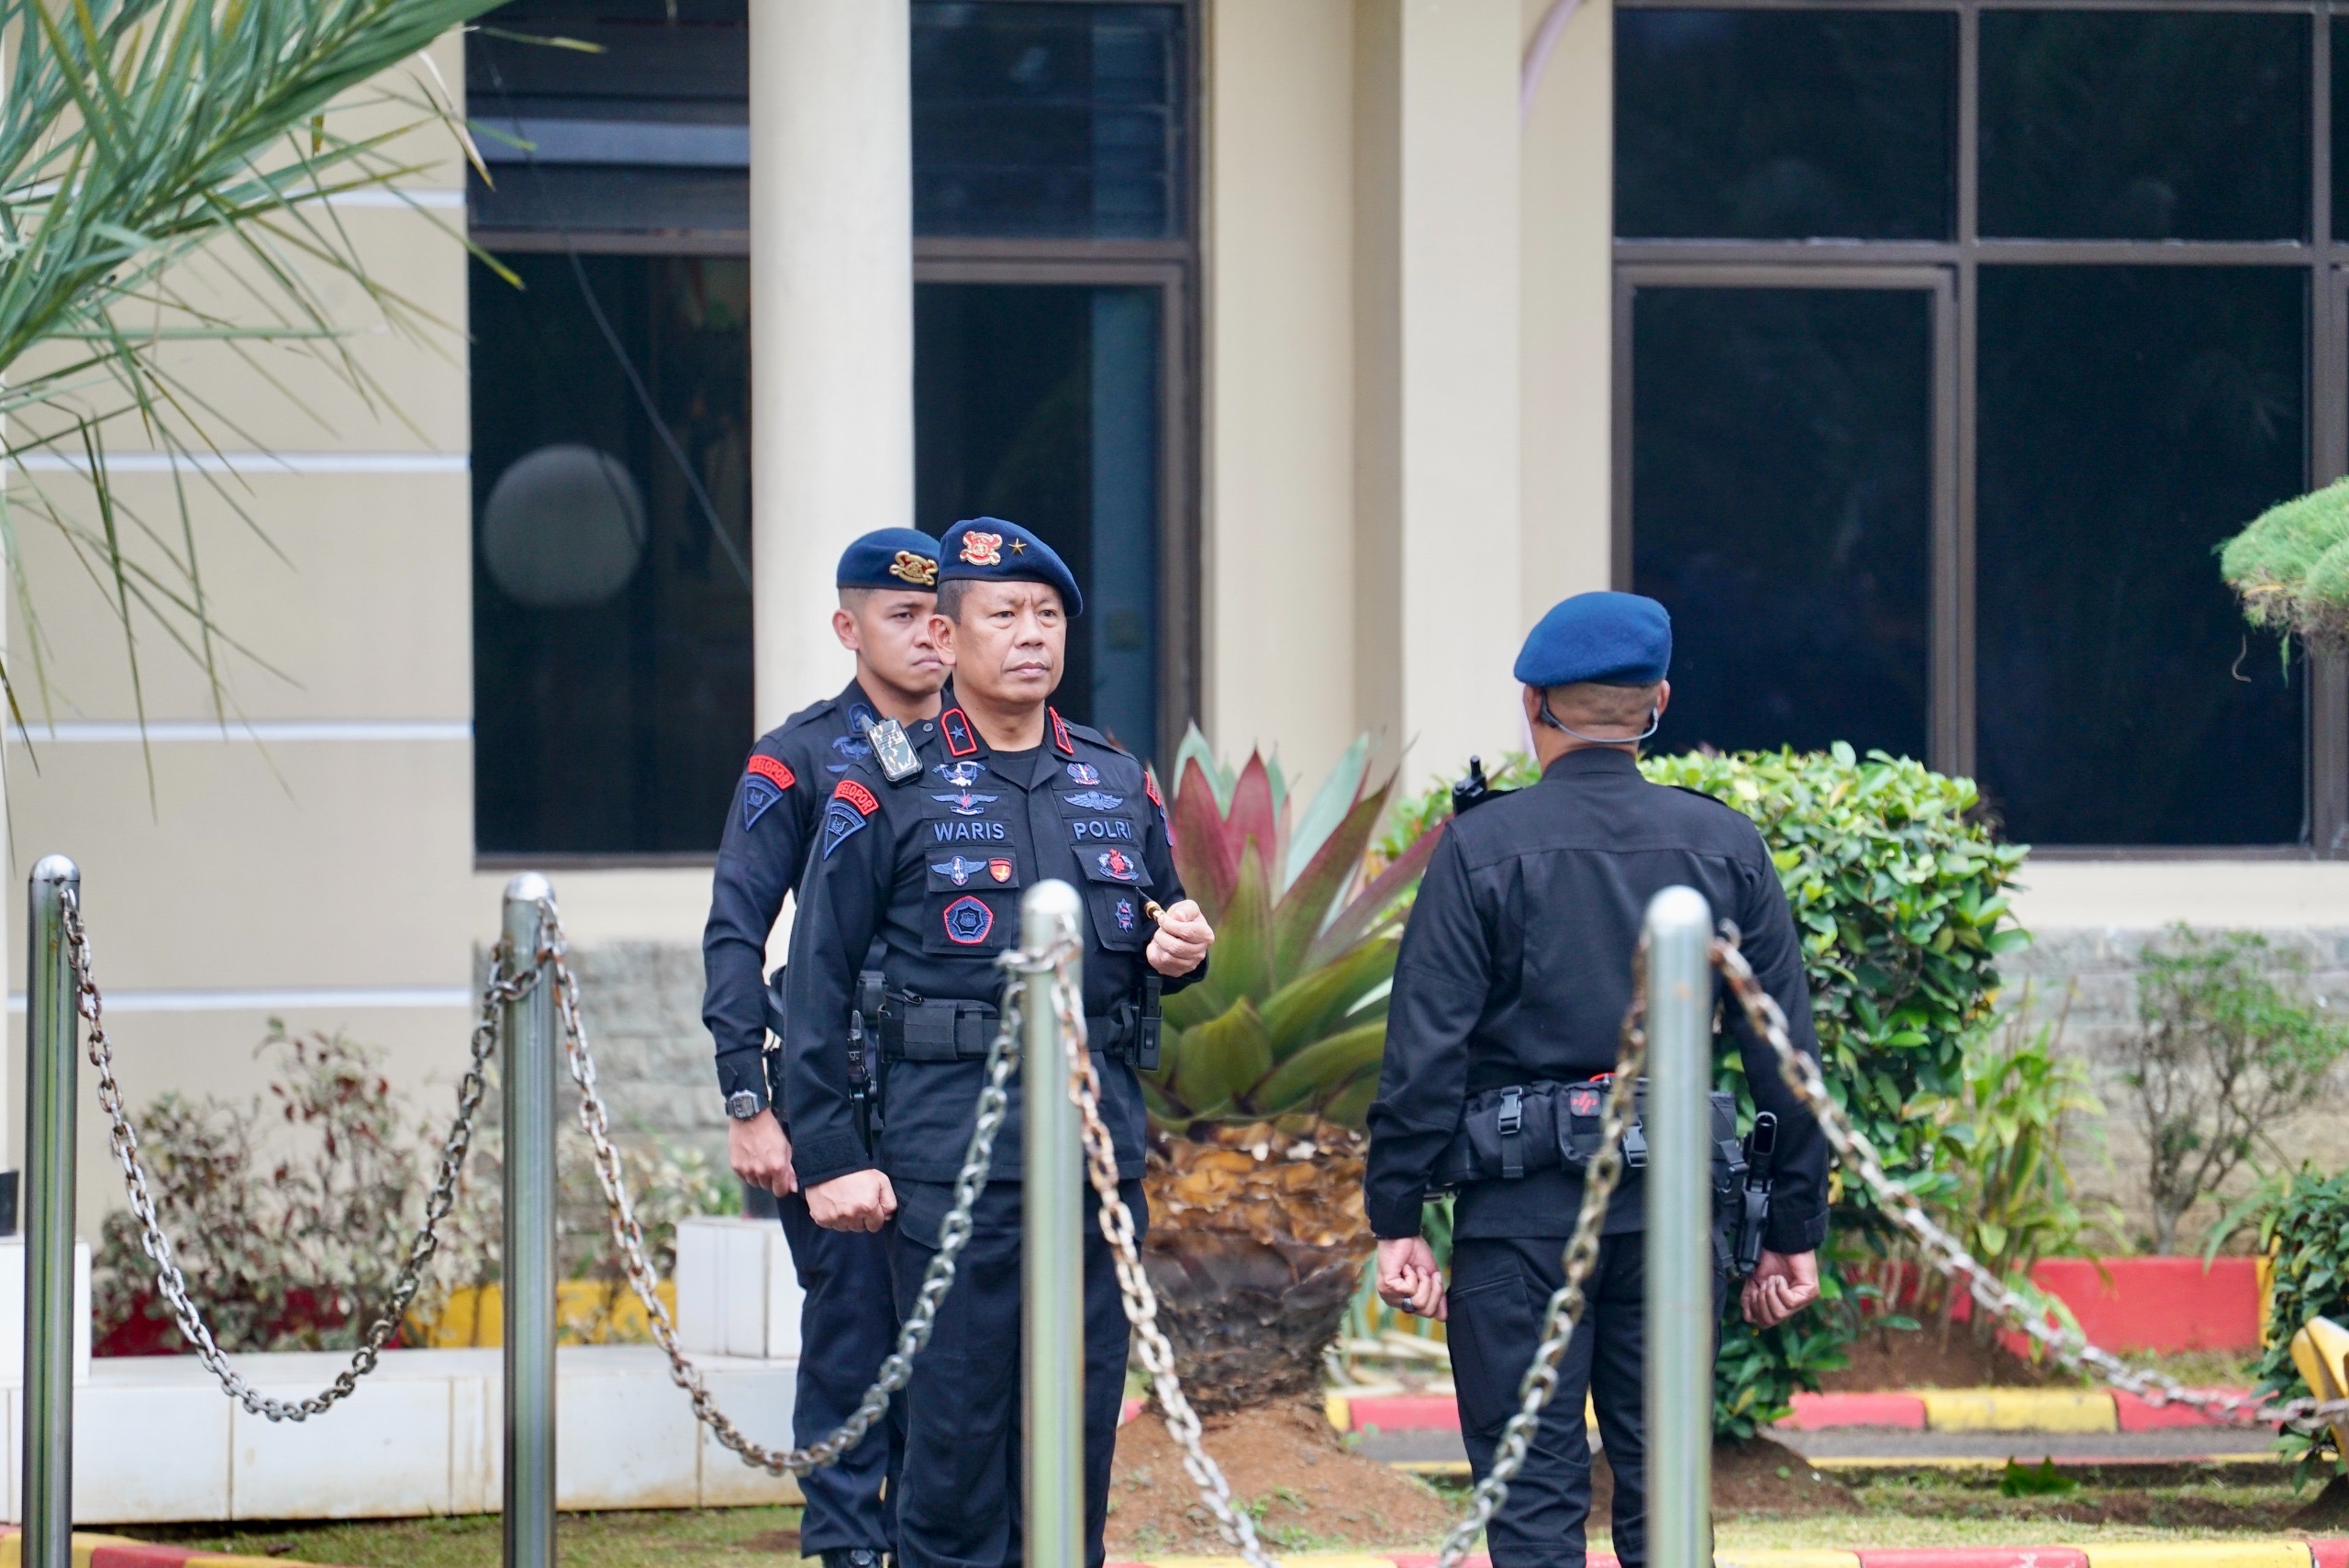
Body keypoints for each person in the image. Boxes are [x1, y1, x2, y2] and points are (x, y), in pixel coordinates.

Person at [1361, 590, 1831, 1568]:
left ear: (1532, 702)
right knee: (1666, 1495)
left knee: (1529, 1497)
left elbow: (1423, 1051)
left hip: (1520, 1214)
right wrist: (1792, 1231)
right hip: (1672, 1213)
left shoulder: (1482, 846)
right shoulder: (1723, 846)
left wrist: (1398, 1216)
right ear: (1656, 702)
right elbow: (1784, 1055)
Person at [785, 516, 1215, 1568]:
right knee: (957, 1435)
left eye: (1049, 614)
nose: (1032, 634)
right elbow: (815, 981)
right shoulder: (885, 782)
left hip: (1093, 1147)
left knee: (1075, 1427)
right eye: (1003, 614)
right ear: (946, 633)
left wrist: (1184, 946)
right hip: (945, 1144)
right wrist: (830, 1155)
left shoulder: (1114, 778)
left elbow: (1162, 923)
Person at [699, 526, 949, 1568]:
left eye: (939, 616)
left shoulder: (993, 749)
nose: (927, 636)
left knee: (955, 1350)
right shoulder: (797, 755)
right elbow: (735, 927)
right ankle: (845, 1549)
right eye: (899, 616)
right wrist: (748, 1101)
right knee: (853, 1339)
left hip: (952, 1094)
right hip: (833, 1093)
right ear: (848, 627)